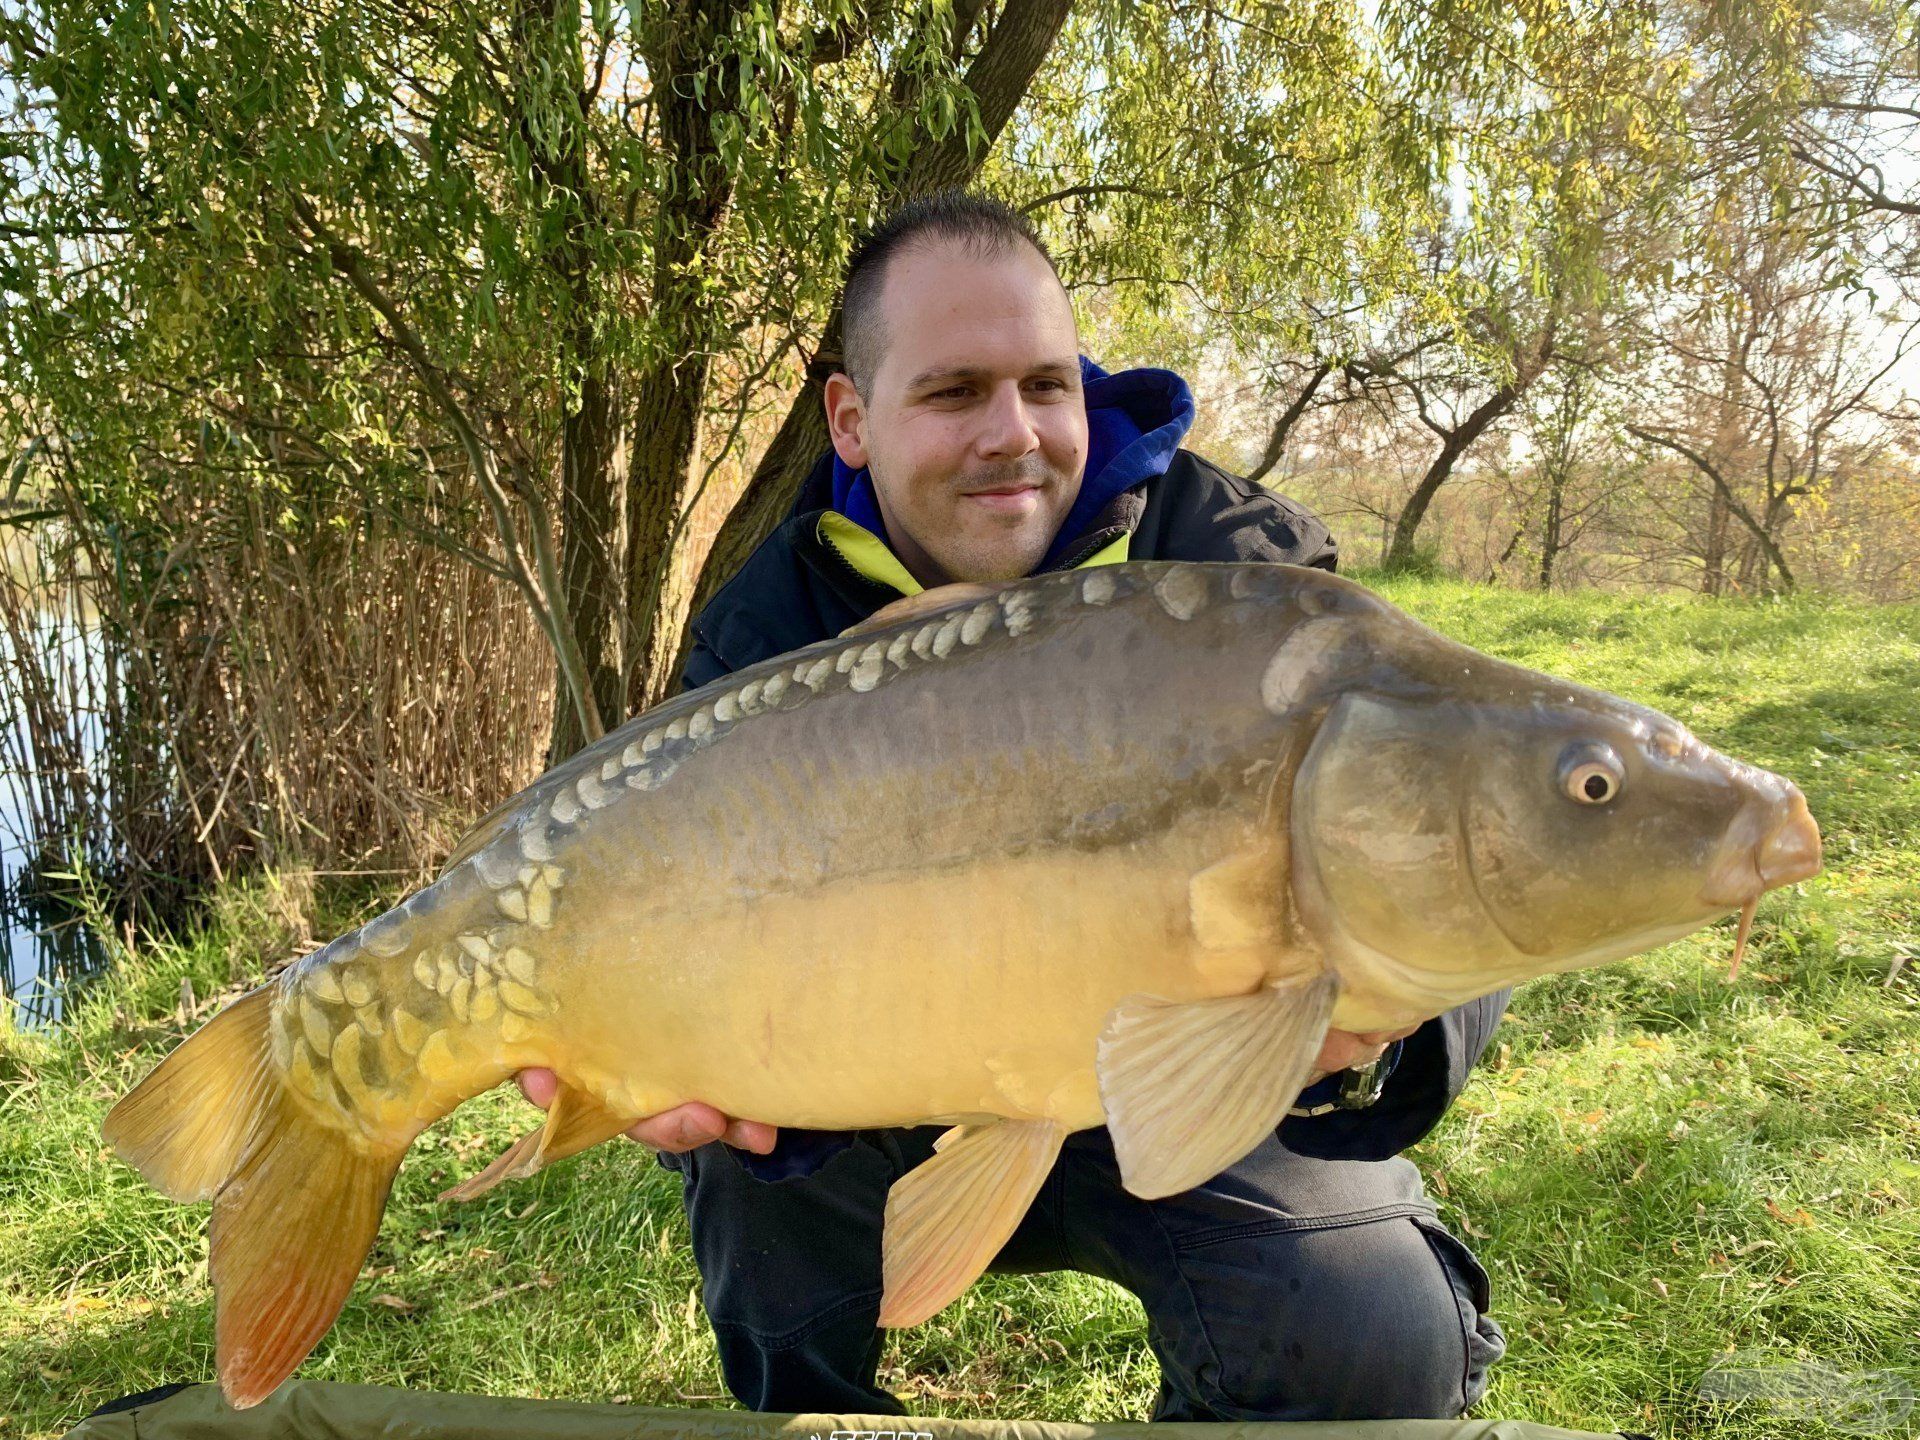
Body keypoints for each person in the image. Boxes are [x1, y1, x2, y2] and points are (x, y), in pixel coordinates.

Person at [517, 189, 1509, 1422]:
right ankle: (815, 1409)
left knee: (1375, 1336)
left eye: (1049, 384)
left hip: (1187, 1067)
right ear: (852, 418)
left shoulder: (1243, 577)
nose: (1017, 435)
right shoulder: (763, 635)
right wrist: (698, 1083)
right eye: (953, 393)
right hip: (887, 1079)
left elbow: (1469, 853)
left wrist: (1374, 1047)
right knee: (748, 1179)